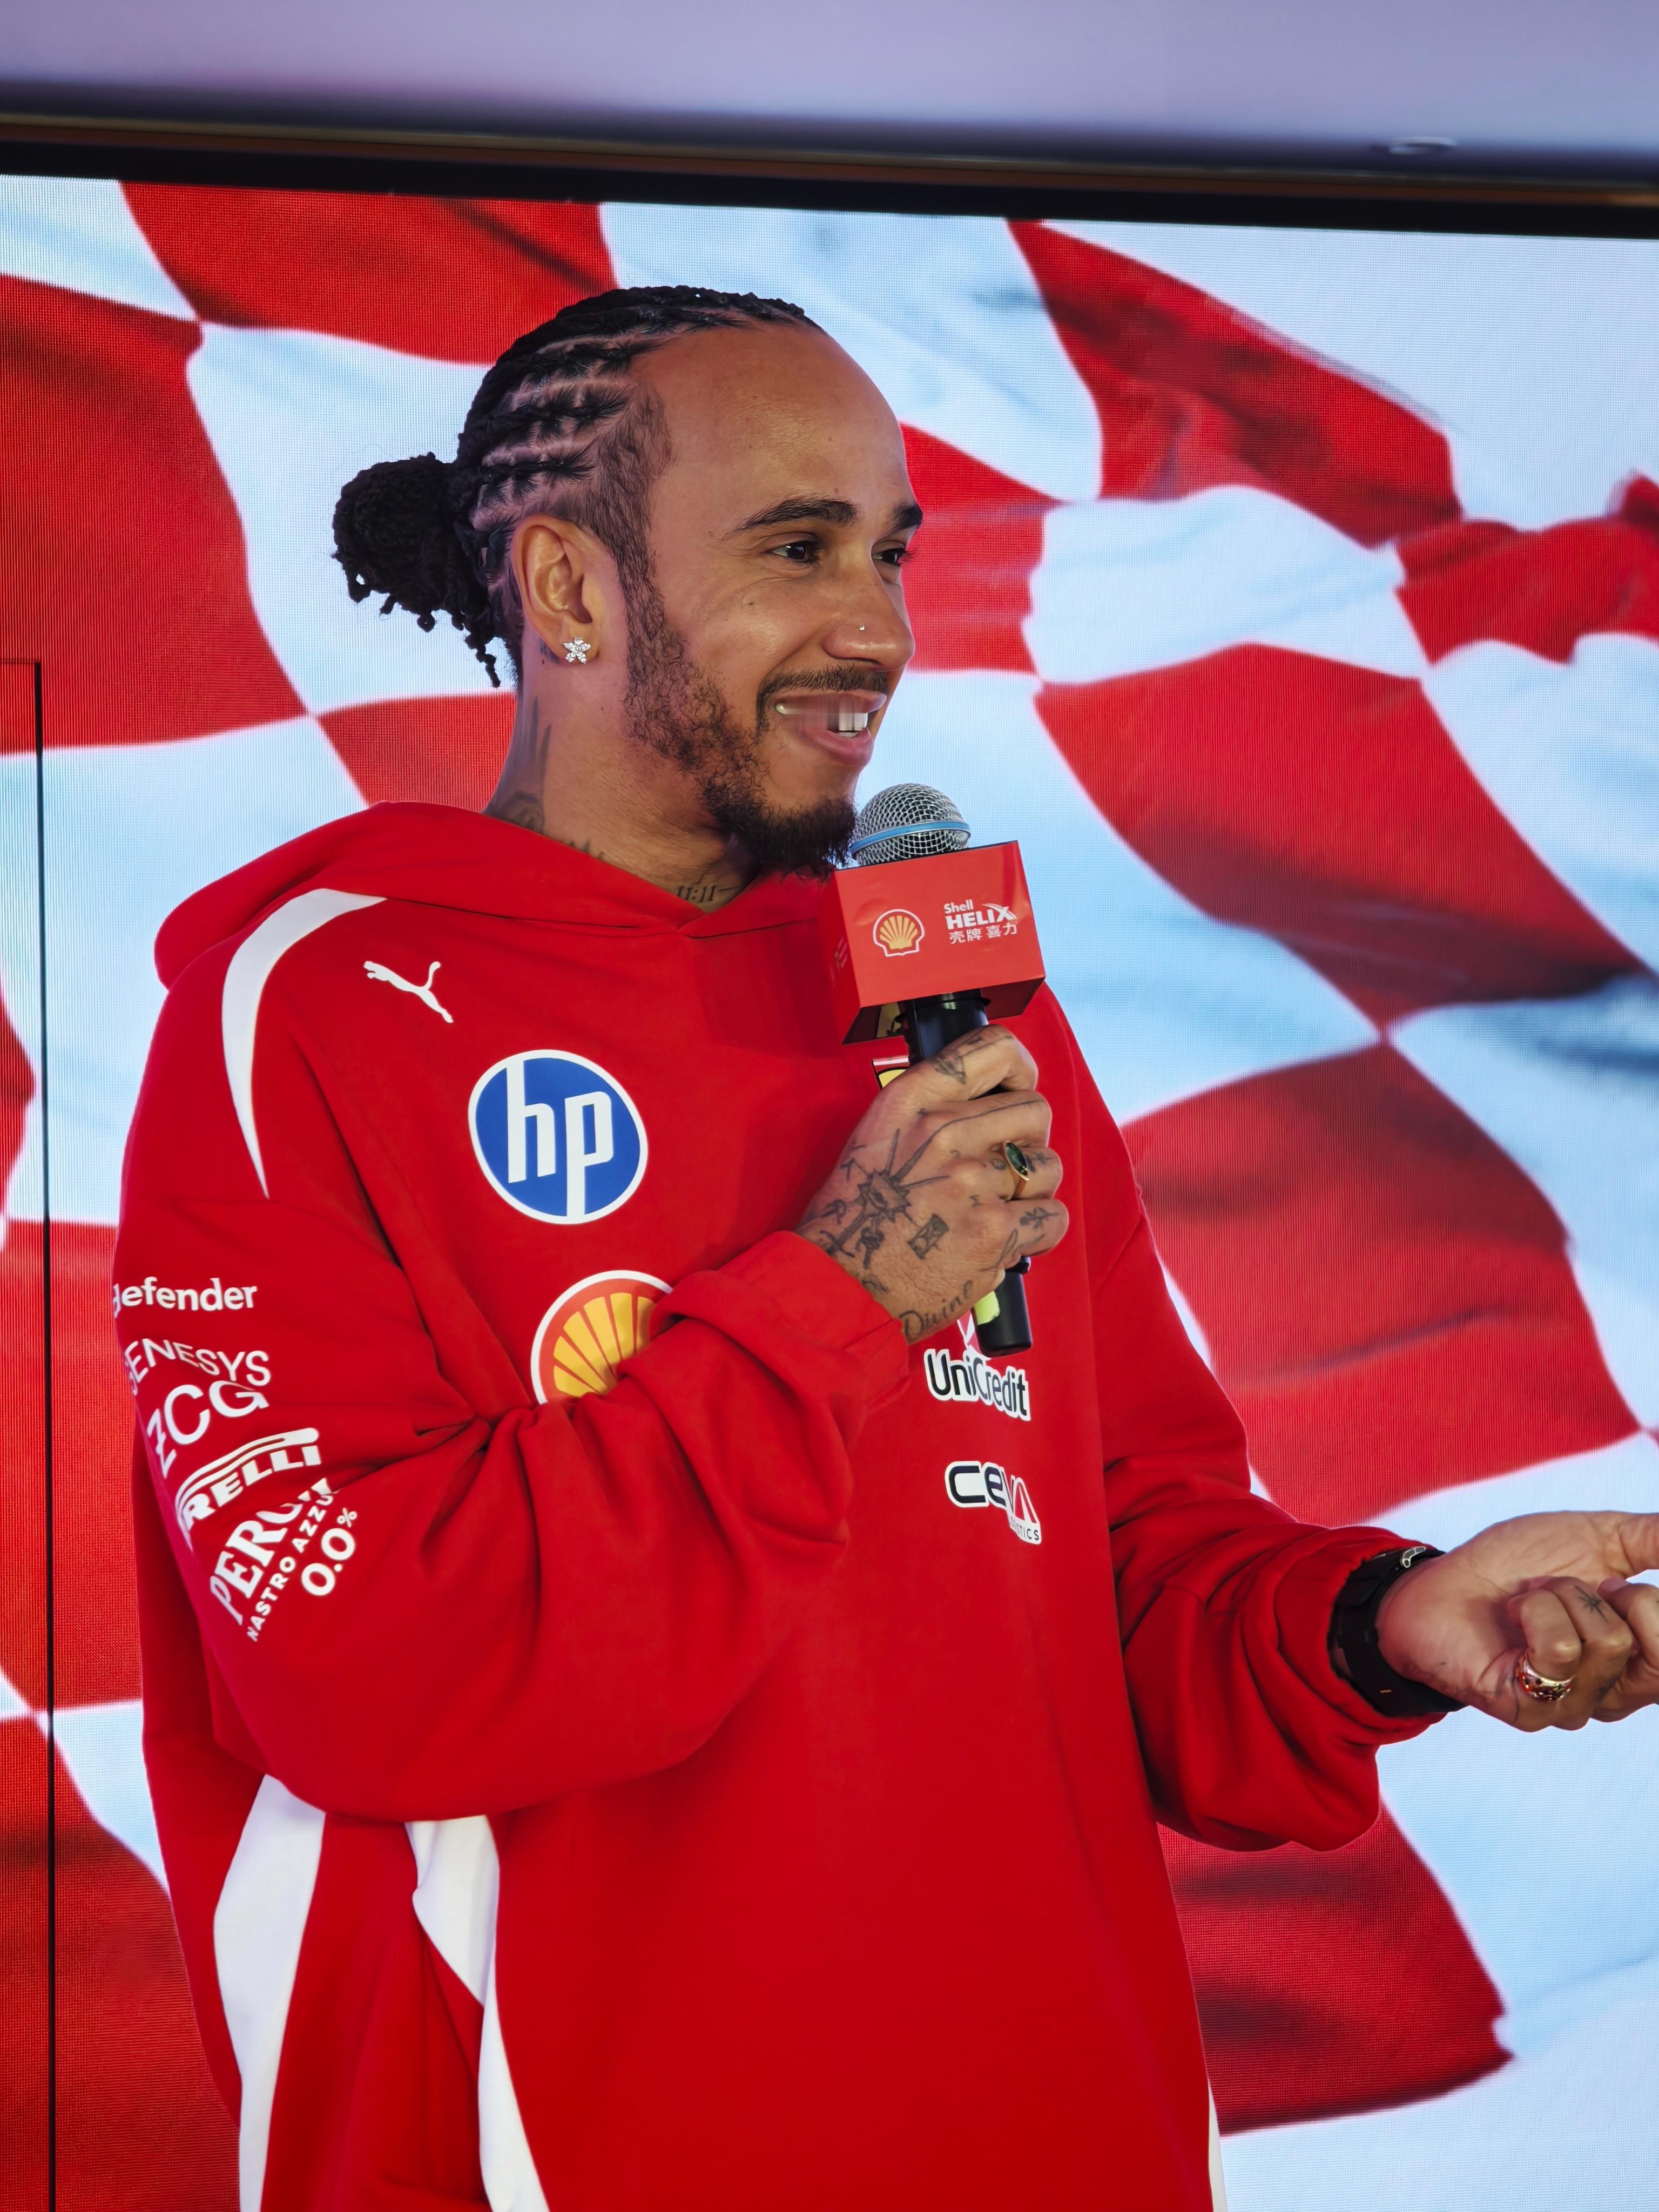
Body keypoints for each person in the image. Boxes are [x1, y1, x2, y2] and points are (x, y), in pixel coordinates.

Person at [117, 285, 1659, 2212]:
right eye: (797, 550)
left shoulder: (957, 1009)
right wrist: (838, 1292)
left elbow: (1120, 1555)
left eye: (891, 554)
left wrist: (1382, 1623)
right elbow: (367, 1675)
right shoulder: (316, 1008)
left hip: (1058, 2140)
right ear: (569, 584)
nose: (877, 629)